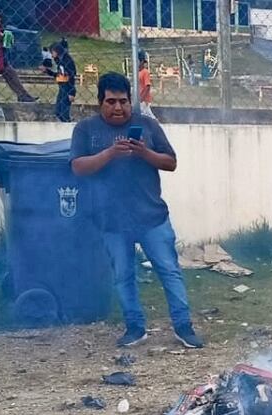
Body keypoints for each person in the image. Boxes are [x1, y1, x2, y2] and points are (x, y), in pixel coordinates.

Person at [70, 72, 204, 349]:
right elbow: (78, 168)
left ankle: (183, 326)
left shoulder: (148, 125)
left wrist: (144, 153)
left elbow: (171, 163)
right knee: (123, 276)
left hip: (151, 217)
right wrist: (110, 153)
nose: (118, 108)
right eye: (110, 102)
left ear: (130, 101)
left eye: (123, 101)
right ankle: (135, 328)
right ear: (99, 102)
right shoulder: (85, 129)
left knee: (169, 271)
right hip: (110, 220)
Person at [0, 7, 36, 103]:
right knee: (12, 76)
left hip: (0, 58)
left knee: (11, 76)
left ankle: (23, 95)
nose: (0, 19)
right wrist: (4, 36)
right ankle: (23, 95)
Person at [42, 40, 77, 122]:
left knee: (64, 111)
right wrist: (47, 71)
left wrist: (72, 92)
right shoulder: (60, 61)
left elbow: (71, 77)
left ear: (56, 51)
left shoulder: (67, 61)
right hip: (62, 86)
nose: (51, 55)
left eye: (52, 52)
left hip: (67, 87)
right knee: (58, 111)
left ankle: (66, 123)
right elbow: (58, 75)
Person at [138, 54, 156, 119]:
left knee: (147, 114)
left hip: (144, 99)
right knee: (145, 115)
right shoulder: (137, 72)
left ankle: (156, 124)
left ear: (142, 61)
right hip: (138, 98)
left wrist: (142, 98)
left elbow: (147, 86)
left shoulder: (145, 72)